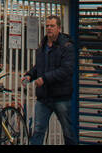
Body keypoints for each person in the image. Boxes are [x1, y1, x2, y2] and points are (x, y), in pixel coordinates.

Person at [22, 15, 77, 144]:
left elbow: (66, 70)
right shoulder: (43, 44)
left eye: (52, 26)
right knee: (38, 131)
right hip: (44, 98)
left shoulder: (67, 46)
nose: (49, 28)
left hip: (61, 97)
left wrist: (45, 79)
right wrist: (30, 75)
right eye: (47, 26)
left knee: (68, 131)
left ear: (59, 28)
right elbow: (39, 66)